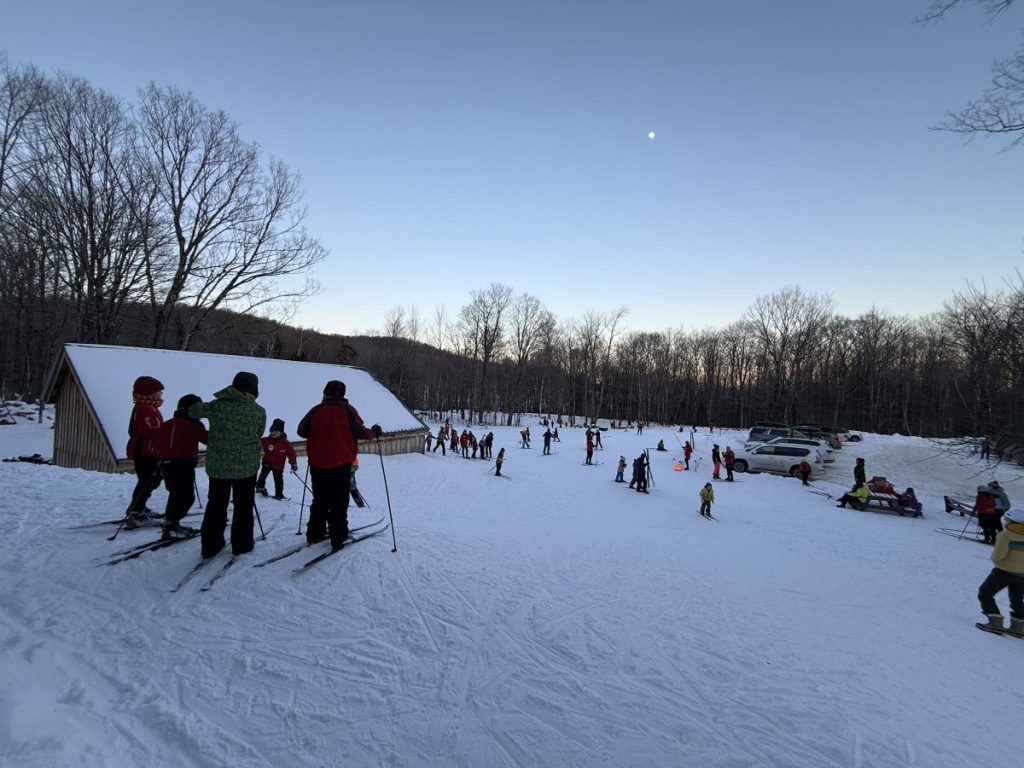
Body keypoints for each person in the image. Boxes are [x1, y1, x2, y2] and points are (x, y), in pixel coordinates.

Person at [297, 379, 381, 551]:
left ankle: (314, 533)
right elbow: (360, 432)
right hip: (340, 463)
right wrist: (374, 432)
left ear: (325, 393)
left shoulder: (316, 410)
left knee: (319, 499)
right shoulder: (347, 410)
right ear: (342, 395)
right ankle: (338, 536)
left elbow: (301, 431)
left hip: (317, 463)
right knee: (338, 501)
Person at [189, 371, 266, 559]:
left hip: (219, 467)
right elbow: (259, 431)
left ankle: (211, 545)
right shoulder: (258, 410)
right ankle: (242, 545)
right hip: (246, 467)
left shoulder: (217, 406)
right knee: (244, 506)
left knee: (216, 505)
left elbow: (193, 411)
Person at [152, 394, 207, 539]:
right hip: (183, 464)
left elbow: (157, 442)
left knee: (175, 493)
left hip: (165, 464)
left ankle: (170, 523)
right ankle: (171, 526)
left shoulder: (168, 424)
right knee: (186, 497)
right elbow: (208, 439)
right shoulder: (195, 425)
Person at [975, 507, 1024, 636]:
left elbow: (998, 555)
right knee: (1017, 599)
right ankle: (1018, 627)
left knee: (985, 592)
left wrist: (996, 562)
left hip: (1004, 571)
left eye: (1007, 519)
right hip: (1023, 574)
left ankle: (995, 622)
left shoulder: (1005, 535)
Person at [125, 375, 165, 524]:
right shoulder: (144, 409)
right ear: (149, 393)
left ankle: (139, 506)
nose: (161, 393)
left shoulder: (151, 407)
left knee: (152, 479)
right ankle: (136, 512)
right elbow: (151, 431)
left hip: (151, 450)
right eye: (158, 391)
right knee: (146, 481)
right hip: (144, 451)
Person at [256, 418, 298, 499]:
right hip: (267, 462)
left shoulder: (286, 443)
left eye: (276, 431)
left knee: (278, 480)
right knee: (263, 474)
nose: (273, 433)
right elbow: (257, 441)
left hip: (278, 465)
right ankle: (260, 488)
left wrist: (293, 464)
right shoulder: (266, 440)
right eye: (272, 431)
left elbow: (291, 454)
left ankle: (279, 494)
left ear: (281, 432)